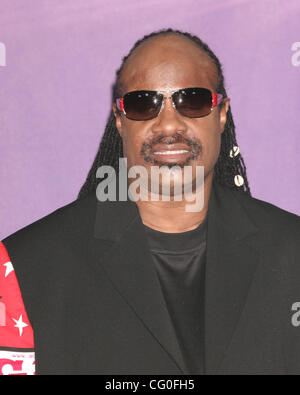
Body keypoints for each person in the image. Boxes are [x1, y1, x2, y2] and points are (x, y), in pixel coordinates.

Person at [1, 28, 299, 375]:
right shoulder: (22, 269)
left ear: (221, 114)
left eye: (193, 100)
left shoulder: (292, 252)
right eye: (144, 104)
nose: (168, 123)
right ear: (119, 119)